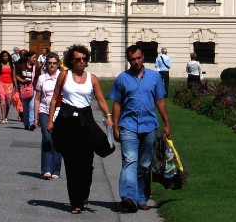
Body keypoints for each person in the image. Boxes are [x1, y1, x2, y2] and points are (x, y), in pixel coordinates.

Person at [109, 44, 172, 213]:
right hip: (128, 125)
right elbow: (117, 103)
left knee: (144, 164)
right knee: (130, 161)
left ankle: (142, 198)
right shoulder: (122, 78)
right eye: (132, 59)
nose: (136, 62)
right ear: (128, 61)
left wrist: (167, 123)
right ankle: (129, 198)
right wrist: (115, 126)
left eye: (138, 58)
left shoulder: (154, 77)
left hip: (149, 125)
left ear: (143, 57)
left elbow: (160, 101)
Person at [50, 45, 112, 213]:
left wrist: (108, 116)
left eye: (84, 59)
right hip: (67, 120)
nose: (81, 62)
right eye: (77, 59)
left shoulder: (92, 78)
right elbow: (55, 98)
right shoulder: (64, 75)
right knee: (71, 164)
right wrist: (50, 121)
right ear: (71, 60)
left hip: (86, 120)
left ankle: (84, 195)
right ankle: (75, 203)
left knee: (86, 164)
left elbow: (100, 100)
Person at [33, 57, 63, 179]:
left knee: (57, 140)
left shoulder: (62, 77)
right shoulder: (42, 78)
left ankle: (56, 169)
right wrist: (35, 118)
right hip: (44, 111)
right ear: (46, 64)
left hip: (59, 112)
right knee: (47, 138)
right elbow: (37, 99)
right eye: (49, 63)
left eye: (54, 63)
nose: (52, 65)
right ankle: (46, 168)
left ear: (58, 64)